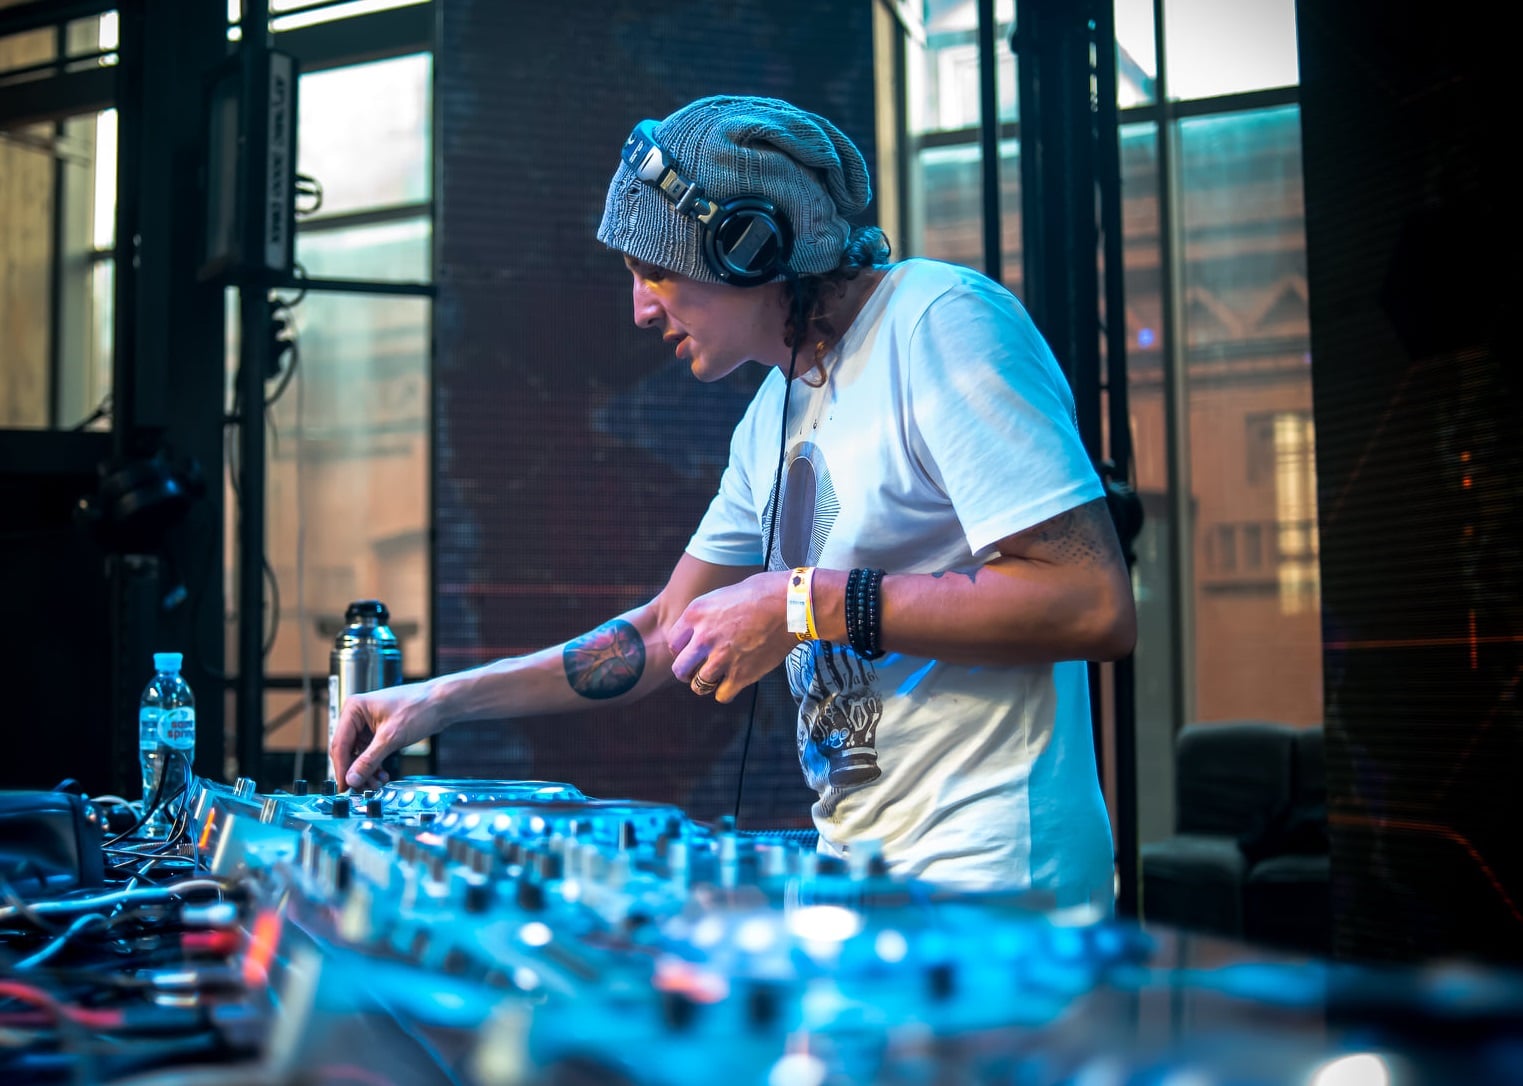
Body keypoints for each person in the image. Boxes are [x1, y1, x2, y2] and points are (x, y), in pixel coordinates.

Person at [330, 94, 1136, 907]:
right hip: (859, 878)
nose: (640, 309)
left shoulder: (939, 323)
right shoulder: (768, 417)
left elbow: (1090, 602)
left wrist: (800, 603)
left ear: (749, 247)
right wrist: (436, 701)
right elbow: (662, 632)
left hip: (990, 885)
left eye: (655, 272)